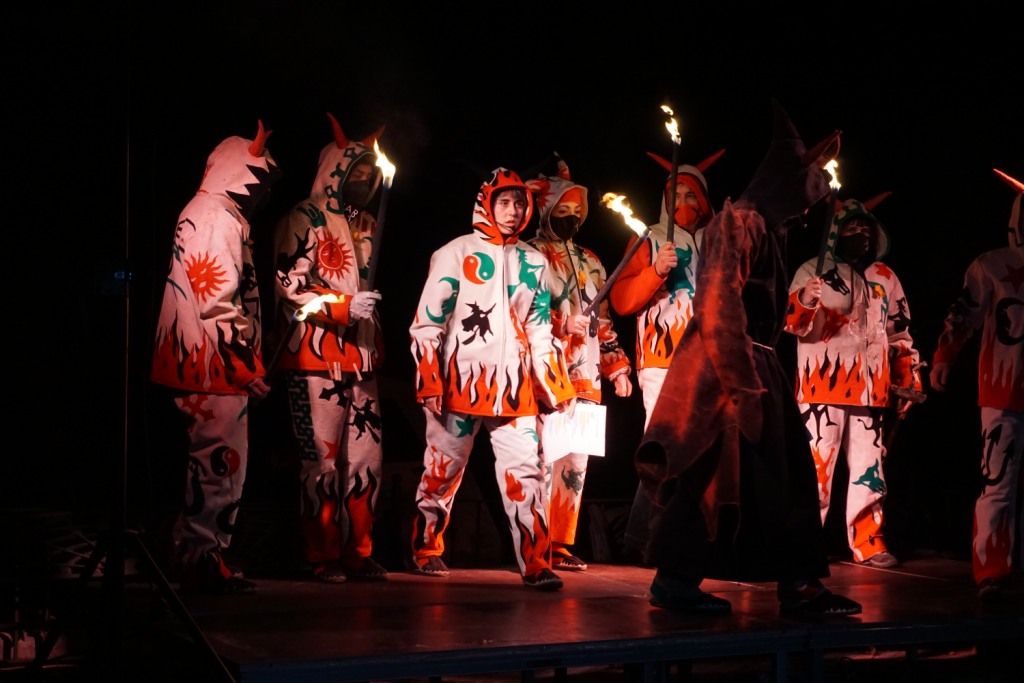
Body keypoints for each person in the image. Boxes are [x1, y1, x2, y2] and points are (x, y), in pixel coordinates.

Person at [636, 104, 861, 616]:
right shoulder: (740, 223)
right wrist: (742, 387)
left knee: (771, 475)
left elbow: (760, 309)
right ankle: (679, 580)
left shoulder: (770, 229)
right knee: (711, 471)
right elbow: (718, 304)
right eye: (810, 184)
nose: (812, 201)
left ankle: (794, 582)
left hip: (754, 363)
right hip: (724, 368)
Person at [409, 168, 576, 590]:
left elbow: (540, 327)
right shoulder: (454, 252)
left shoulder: (534, 263)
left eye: (520, 203)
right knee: (443, 470)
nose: (513, 210)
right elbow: (428, 322)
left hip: (515, 390)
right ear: (487, 202)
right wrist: (429, 379)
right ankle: (426, 547)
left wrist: (556, 386)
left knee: (527, 474)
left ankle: (535, 563)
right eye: (504, 202)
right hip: (460, 384)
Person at [151, 122, 279, 593]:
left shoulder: (209, 212)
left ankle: (197, 554)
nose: (264, 191)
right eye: (260, 179)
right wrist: (244, 364)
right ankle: (199, 558)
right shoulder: (216, 216)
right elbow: (217, 298)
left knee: (211, 461)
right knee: (221, 462)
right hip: (211, 365)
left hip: (204, 361)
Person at [273, 114, 387, 582]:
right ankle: (321, 554)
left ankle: (359, 550)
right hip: (315, 357)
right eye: (354, 172)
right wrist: (341, 306)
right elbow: (289, 284)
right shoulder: (304, 217)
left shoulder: (367, 224)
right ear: (335, 170)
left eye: (369, 174)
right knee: (320, 461)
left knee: (365, 461)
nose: (363, 181)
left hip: (360, 357)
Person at [784, 196, 922, 568]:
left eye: (865, 227)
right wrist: (804, 299)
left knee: (869, 469)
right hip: (820, 389)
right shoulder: (811, 271)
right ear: (834, 232)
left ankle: (869, 540)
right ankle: (804, 546)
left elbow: (899, 333)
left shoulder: (885, 277)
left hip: (871, 390)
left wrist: (907, 377)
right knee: (815, 472)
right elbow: (791, 325)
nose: (859, 233)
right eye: (850, 226)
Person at [609, 148, 723, 554]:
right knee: (664, 447)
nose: (684, 204)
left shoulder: (717, 240)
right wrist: (656, 271)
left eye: (691, 195)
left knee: (706, 450)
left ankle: (691, 541)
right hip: (662, 359)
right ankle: (646, 539)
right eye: (675, 195)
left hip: (709, 360)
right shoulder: (651, 238)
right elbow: (621, 300)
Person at [527, 158, 632, 571]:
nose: (570, 220)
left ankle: (560, 543)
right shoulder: (530, 255)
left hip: (586, 375)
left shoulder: (591, 260)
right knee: (541, 460)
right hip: (546, 375)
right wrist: (559, 322)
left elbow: (603, 320)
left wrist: (617, 365)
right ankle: (533, 542)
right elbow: (521, 313)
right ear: (547, 211)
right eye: (562, 212)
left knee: (574, 463)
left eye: (576, 213)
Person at [931, 168, 1023, 599]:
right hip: (1003, 391)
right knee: (997, 482)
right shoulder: (992, 265)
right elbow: (962, 314)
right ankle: (991, 571)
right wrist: (945, 356)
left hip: (1003, 390)